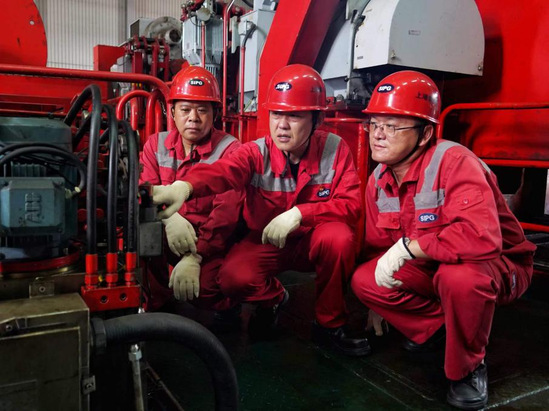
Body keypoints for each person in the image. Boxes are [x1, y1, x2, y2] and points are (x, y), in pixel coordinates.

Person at [152, 64, 371, 356]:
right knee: (233, 278)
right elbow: (224, 171)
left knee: (339, 238)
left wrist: (300, 214)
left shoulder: (335, 149)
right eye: (276, 114)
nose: (282, 125)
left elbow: (351, 204)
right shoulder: (256, 152)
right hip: (265, 241)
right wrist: (185, 187)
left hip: (312, 239)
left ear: (317, 119)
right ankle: (273, 299)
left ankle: (329, 325)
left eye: (294, 116)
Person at [350, 71, 536, 410]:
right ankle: (444, 329)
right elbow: (378, 248)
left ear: (424, 134)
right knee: (366, 279)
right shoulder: (378, 180)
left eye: (392, 126)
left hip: (496, 266)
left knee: (459, 278)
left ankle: (468, 367)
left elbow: (481, 239)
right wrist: (377, 305)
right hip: (432, 268)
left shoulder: (455, 162)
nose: (378, 134)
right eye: (374, 124)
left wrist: (411, 247)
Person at [139, 65, 244, 313]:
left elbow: (226, 214)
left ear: (215, 114)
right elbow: (146, 192)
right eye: (185, 110)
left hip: (209, 241)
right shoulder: (156, 144)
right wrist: (169, 218)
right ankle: (158, 302)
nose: (193, 118)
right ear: (172, 112)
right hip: (167, 231)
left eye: (202, 110)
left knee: (205, 289)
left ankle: (227, 307)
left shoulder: (230, 150)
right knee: (141, 234)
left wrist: (196, 256)